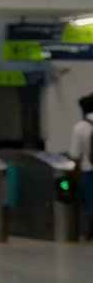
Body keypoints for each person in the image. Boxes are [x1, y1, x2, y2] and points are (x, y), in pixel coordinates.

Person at [69, 94, 93, 240]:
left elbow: (75, 155)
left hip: (89, 170)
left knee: (91, 200)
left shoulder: (80, 127)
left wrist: (75, 175)